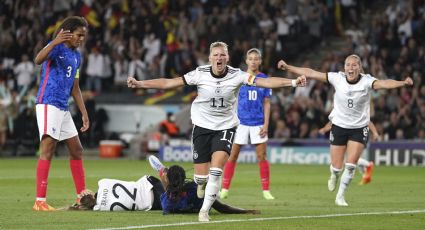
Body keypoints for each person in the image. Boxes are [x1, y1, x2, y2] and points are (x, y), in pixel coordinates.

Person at [127, 41, 306, 221]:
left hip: (225, 127)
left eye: (223, 55)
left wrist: (292, 82)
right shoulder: (199, 74)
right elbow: (169, 83)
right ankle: (200, 185)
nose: (219, 58)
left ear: (227, 57)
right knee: (200, 179)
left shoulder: (238, 75)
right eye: (216, 55)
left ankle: (204, 212)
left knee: (216, 171)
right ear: (210, 58)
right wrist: (141, 83)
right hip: (202, 127)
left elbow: (266, 82)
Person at [278, 54, 413, 206]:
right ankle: (334, 175)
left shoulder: (367, 81)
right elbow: (311, 73)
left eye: (354, 65)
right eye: (348, 65)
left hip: (359, 128)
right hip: (339, 126)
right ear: (344, 67)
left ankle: (340, 196)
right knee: (337, 167)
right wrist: (289, 67)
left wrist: (402, 83)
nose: (351, 67)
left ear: (360, 67)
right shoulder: (337, 78)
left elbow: (384, 83)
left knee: (350, 165)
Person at [63, 155, 260, 216]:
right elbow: (221, 206)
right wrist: (245, 211)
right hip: (151, 188)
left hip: (155, 198)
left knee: (164, 192)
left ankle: (164, 173)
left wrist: (81, 203)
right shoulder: (102, 183)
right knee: (164, 188)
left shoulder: (100, 209)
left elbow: (167, 207)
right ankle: (163, 172)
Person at [33, 16, 89, 211]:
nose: (81, 39)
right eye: (79, 35)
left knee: (77, 150)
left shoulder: (77, 56)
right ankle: (39, 201)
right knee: (48, 148)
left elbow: (75, 87)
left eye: (83, 36)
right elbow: (38, 60)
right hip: (48, 102)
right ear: (68, 32)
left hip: (63, 106)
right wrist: (55, 41)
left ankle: (81, 197)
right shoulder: (56, 47)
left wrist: (83, 112)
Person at [220, 48, 274, 200]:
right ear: (246, 61)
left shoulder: (264, 79)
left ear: (260, 61)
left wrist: (266, 124)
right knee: (232, 156)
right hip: (240, 123)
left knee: (261, 156)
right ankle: (224, 189)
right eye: (251, 58)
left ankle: (266, 190)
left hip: (258, 123)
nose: (253, 61)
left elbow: (267, 103)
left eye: (256, 58)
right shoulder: (239, 77)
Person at [318, 121, 377, 185]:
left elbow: (367, 121)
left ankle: (368, 165)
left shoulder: (353, 114)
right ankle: (365, 176)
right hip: (354, 133)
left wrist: (324, 129)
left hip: (357, 134)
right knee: (352, 158)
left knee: (351, 158)